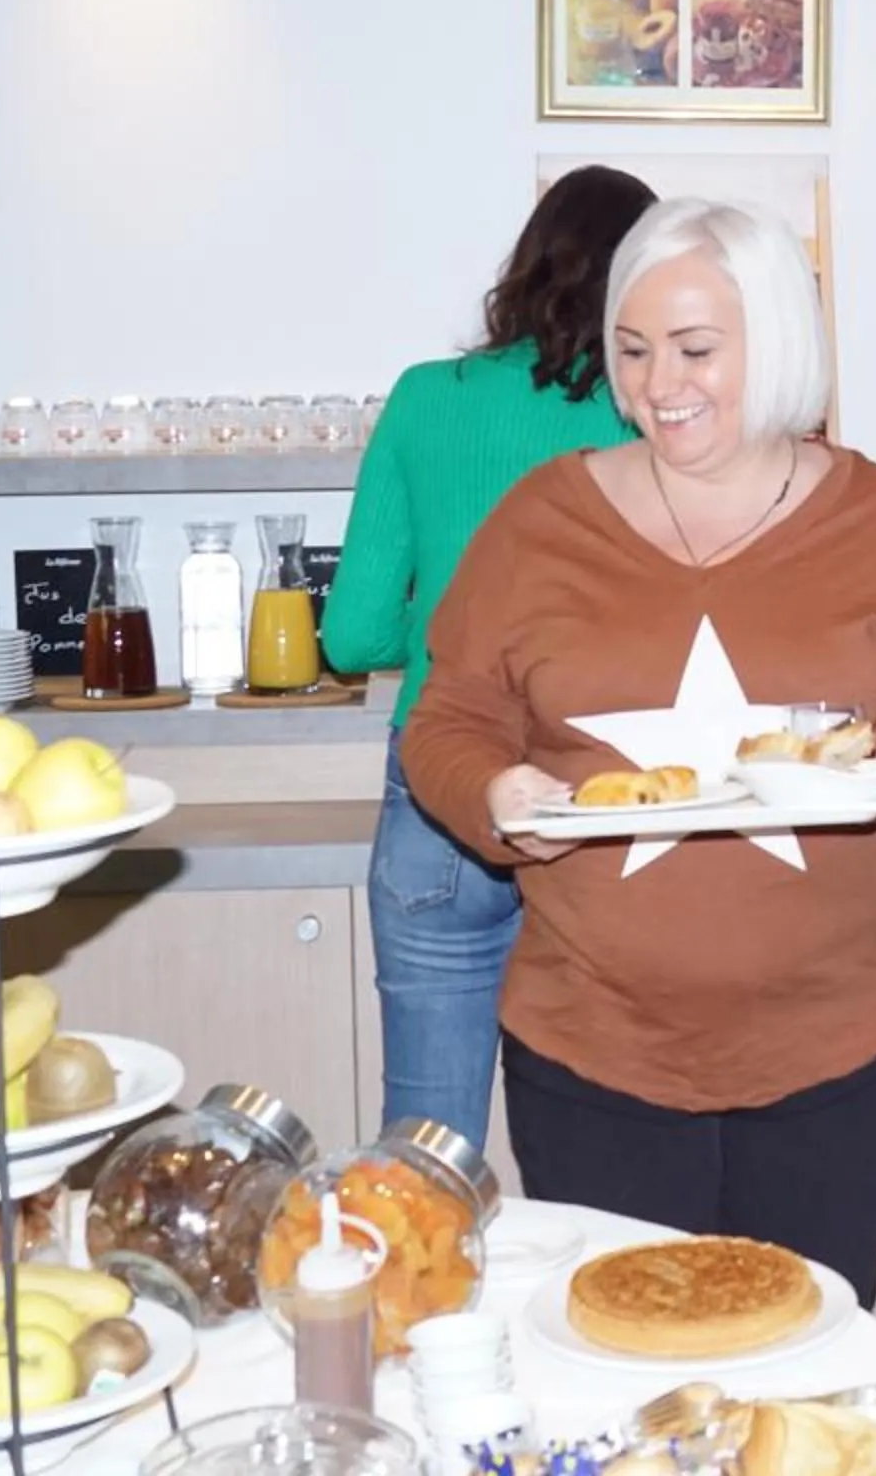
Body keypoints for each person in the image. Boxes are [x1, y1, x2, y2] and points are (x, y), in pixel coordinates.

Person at [401, 196, 876, 1302]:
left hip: (837, 1055)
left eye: (694, 348)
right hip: (589, 1052)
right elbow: (447, 717)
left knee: (802, 1361)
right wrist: (493, 791)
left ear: (776, 341)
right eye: (631, 349)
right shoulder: (540, 520)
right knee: (628, 1378)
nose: (656, 383)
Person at [323, 164, 657, 1151]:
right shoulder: (650, 418)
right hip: (606, 793)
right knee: (610, 1145)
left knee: (429, 1145)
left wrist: (441, 623)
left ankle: (430, 1309)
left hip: (444, 788)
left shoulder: (427, 401)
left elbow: (352, 636)